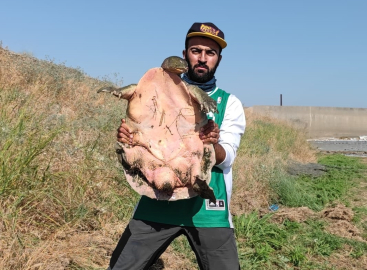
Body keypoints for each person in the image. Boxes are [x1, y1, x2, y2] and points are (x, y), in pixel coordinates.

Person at [108, 22, 246, 270]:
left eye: (210, 53)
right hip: (156, 202)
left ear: (218, 59)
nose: (202, 58)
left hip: (208, 211)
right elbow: (142, 131)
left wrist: (211, 143)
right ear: (184, 55)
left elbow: (228, 157)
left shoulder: (229, 103)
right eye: (196, 50)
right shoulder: (155, 90)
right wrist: (129, 138)